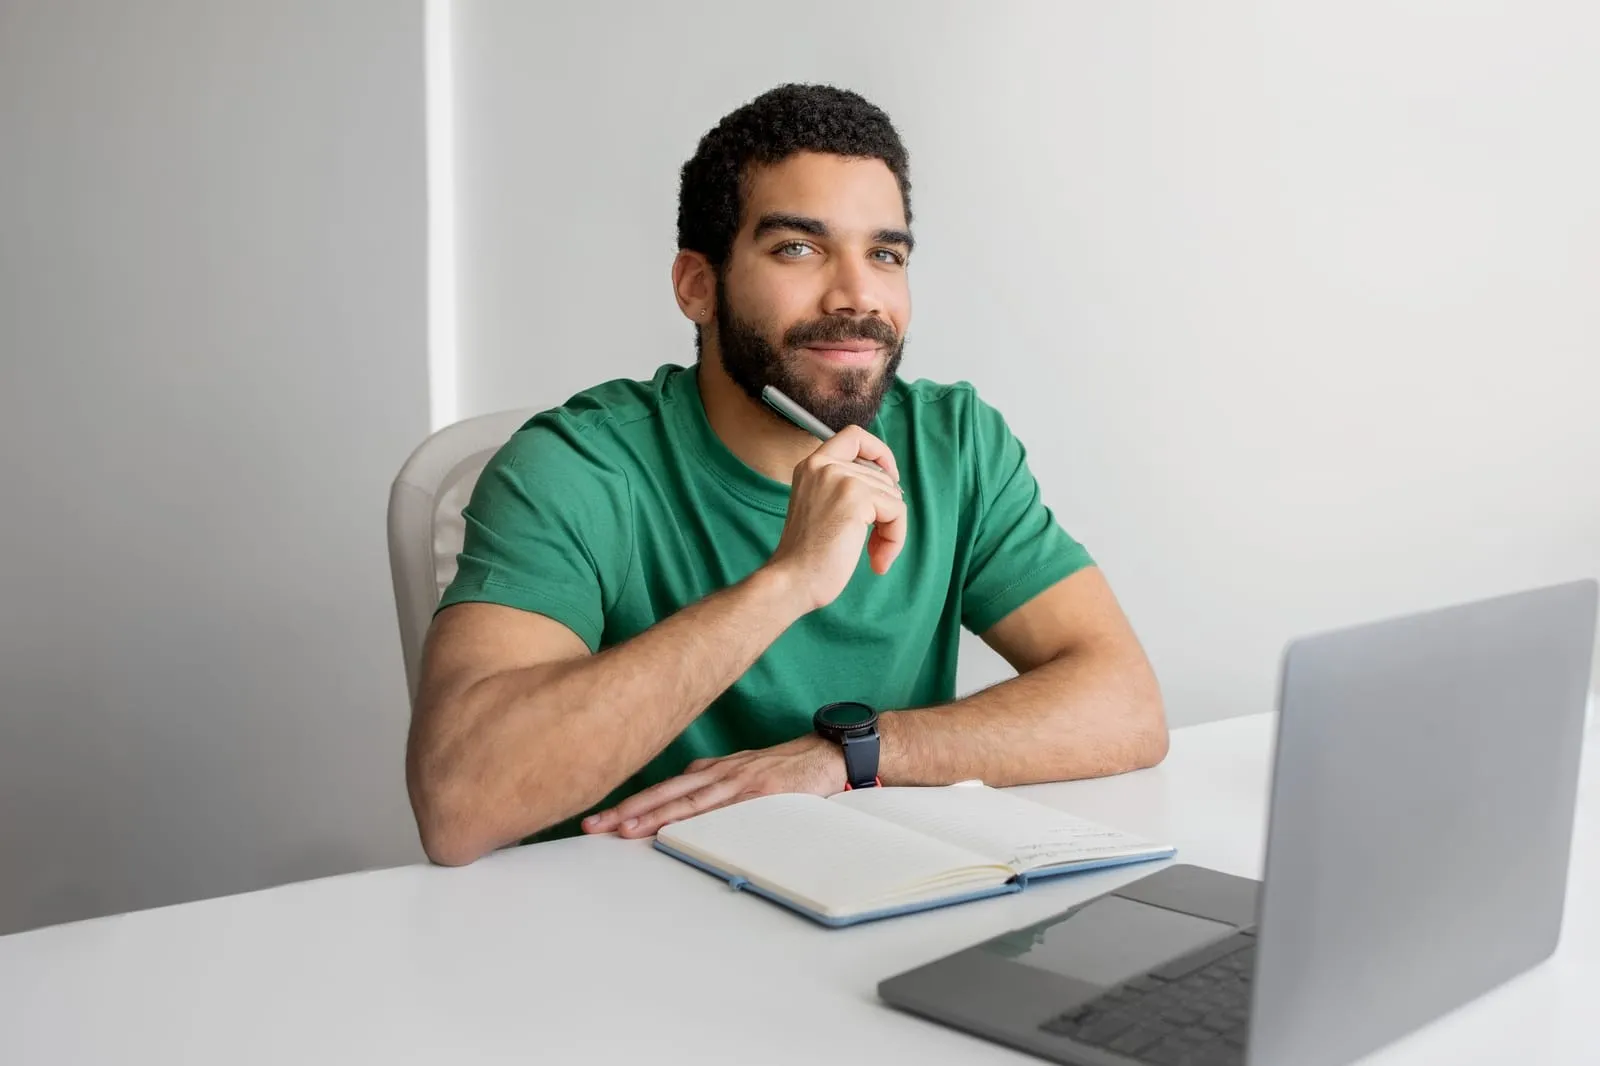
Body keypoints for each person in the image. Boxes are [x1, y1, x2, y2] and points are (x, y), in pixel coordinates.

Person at [405, 83, 1167, 866]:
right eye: (798, 248)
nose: (857, 295)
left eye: (885, 254)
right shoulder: (574, 467)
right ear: (697, 285)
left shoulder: (956, 443)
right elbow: (460, 802)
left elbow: (1126, 705)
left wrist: (848, 756)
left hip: (875, 898)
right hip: (624, 928)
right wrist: (789, 578)